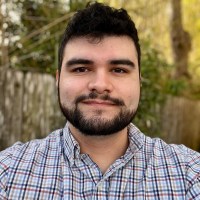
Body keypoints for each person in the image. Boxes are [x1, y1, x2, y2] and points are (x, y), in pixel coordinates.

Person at [0, 2, 199, 199]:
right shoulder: (7, 175)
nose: (100, 84)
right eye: (81, 69)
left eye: (119, 70)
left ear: (139, 82)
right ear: (58, 79)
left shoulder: (190, 175)